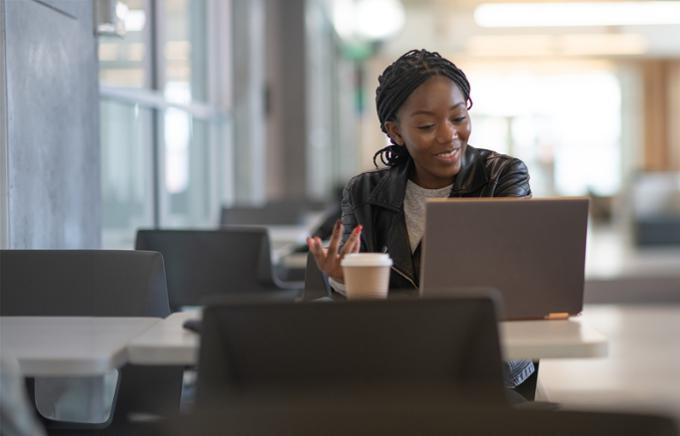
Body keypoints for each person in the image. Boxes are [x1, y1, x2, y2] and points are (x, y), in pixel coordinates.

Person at [306, 48, 536, 399]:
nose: (448, 136)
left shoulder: (502, 175)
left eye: (458, 118)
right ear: (395, 131)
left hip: (482, 369)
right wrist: (340, 280)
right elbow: (357, 318)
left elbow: (514, 276)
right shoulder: (363, 192)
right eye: (427, 126)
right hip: (392, 370)